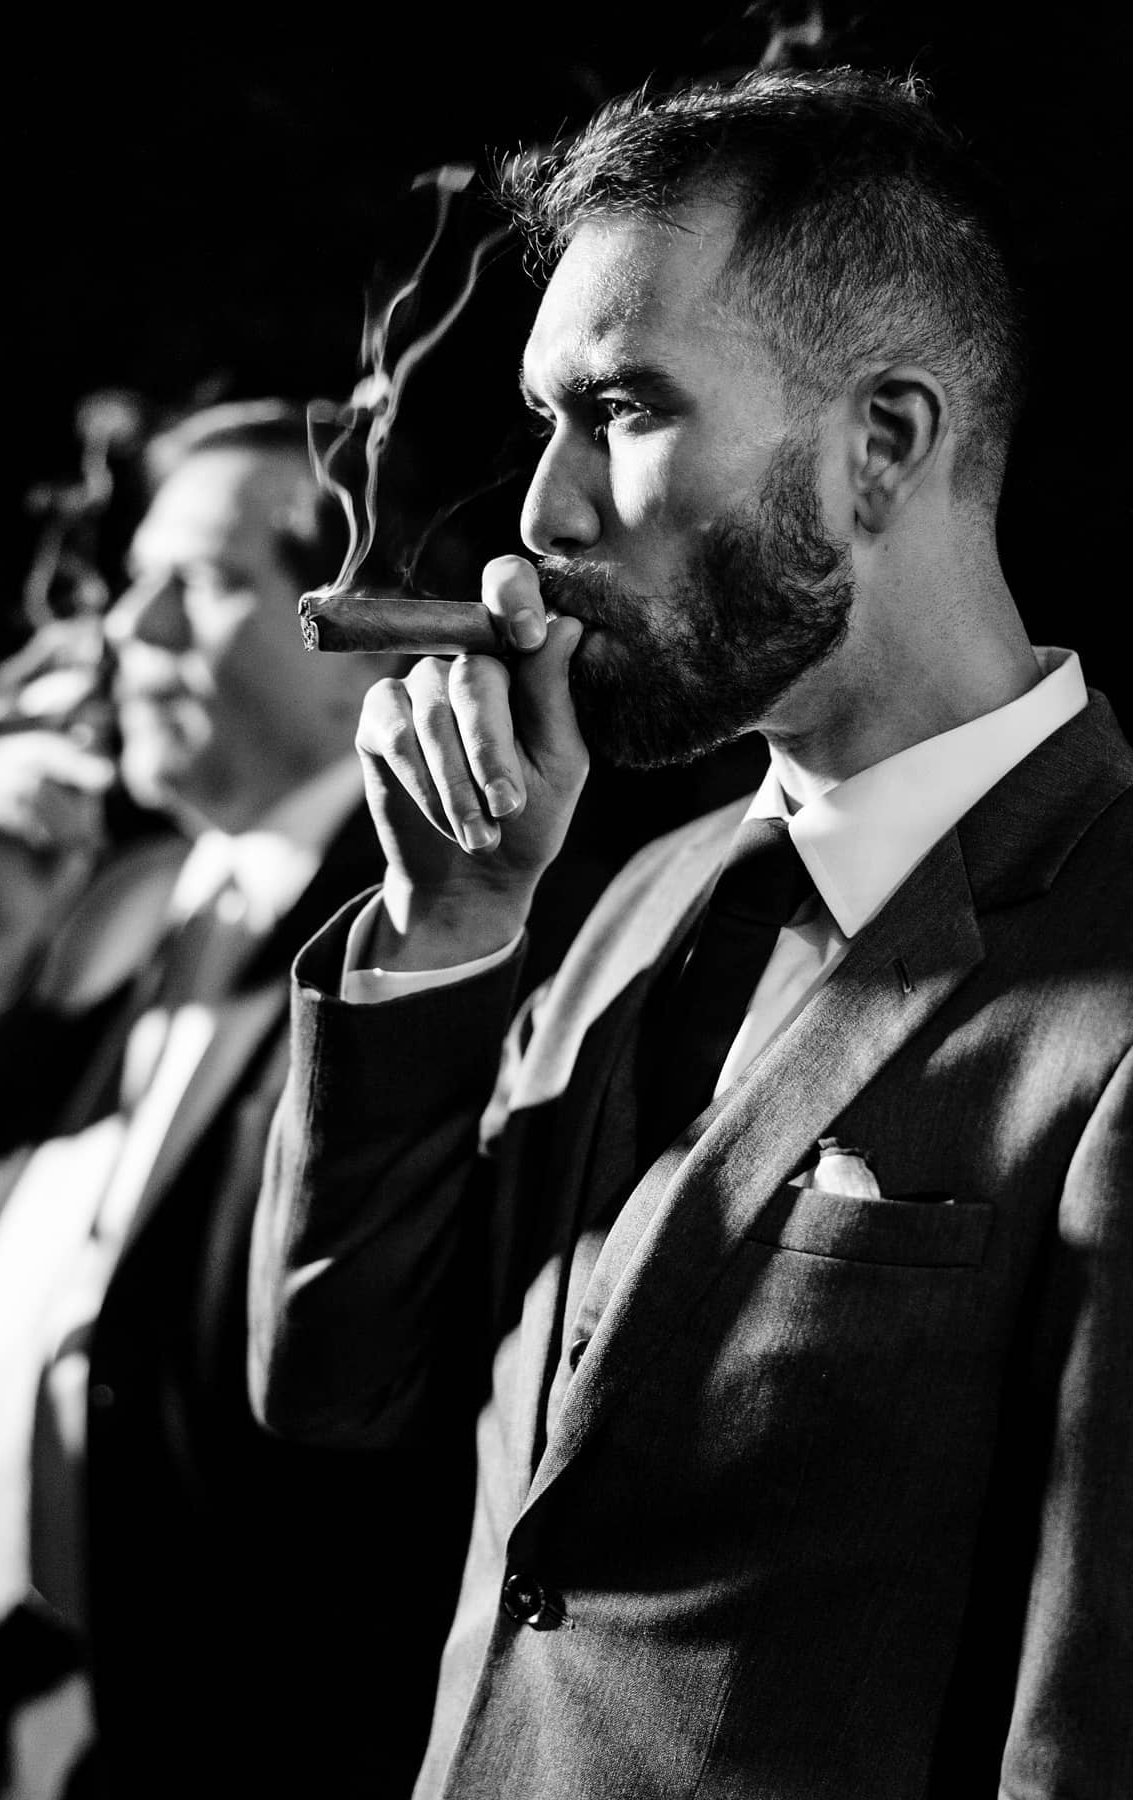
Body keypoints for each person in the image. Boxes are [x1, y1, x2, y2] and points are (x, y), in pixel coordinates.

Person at [246, 69, 1132, 1800]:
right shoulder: (634, 904)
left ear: (882, 444)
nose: (546, 518)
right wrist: (456, 922)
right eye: (544, 422)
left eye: (624, 410)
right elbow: (339, 1392)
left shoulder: (1110, 978)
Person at [0, 399, 497, 1799]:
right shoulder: (104, 903)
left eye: (199, 582)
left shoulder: (425, 956)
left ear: (373, 634)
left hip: (218, 1731)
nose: (131, 630)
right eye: (131, 584)